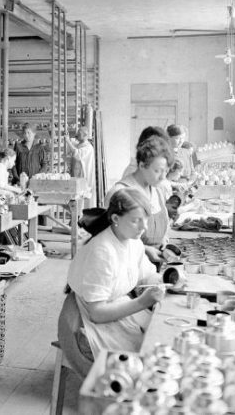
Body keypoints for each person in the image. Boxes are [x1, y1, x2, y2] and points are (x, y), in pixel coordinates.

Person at [66, 187, 164, 354]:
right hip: (90, 319)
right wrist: (141, 302)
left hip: (116, 306)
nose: (144, 227)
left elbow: (147, 276)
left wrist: (167, 279)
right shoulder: (102, 252)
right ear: (116, 218)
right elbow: (96, 313)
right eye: (136, 220)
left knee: (158, 339)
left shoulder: (134, 242)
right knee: (141, 358)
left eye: (146, 220)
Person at [106, 136, 175, 263]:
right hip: (126, 267)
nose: (162, 177)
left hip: (153, 266)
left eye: (165, 171)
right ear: (142, 165)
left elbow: (164, 225)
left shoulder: (156, 191)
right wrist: (145, 250)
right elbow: (109, 241)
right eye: (157, 171)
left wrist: (164, 239)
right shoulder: (119, 192)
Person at [65, 126, 96, 206]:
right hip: (76, 174)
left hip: (83, 176)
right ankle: (76, 216)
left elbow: (77, 154)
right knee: (75, 197)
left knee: (80, 200)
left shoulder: (88, 148)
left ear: (85, 135)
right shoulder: (80, 144)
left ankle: (79, 216)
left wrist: (68, 141)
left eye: (79, 133)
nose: (77, 135)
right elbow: (73, 147)